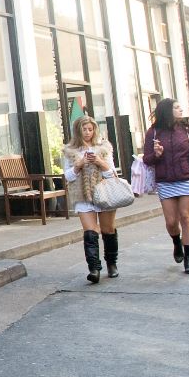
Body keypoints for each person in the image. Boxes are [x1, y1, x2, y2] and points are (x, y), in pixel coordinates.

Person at [142, 97, 189, 274]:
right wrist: (156, 154)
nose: (181, 110)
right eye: (176, 107)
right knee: (171, 221)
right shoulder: (153, 132)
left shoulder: (188, 130)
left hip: (187, 178)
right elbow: (146, 159)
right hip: (165, 180)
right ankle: (177, 242)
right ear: (167, 111)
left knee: (186, 216)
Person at [62, 113, 121, 284]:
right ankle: (94, 268)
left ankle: (111, 264)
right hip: (82, 196)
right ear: (78, 131)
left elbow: (112, 175)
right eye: (84, 129)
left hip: (104, 194)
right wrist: (78, 166)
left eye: (90, 129)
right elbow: (68, 177)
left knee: (108, 229)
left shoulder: (103, 148)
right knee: (90, 232)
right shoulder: (70, 151)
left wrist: (99, 162)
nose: (88, 132)